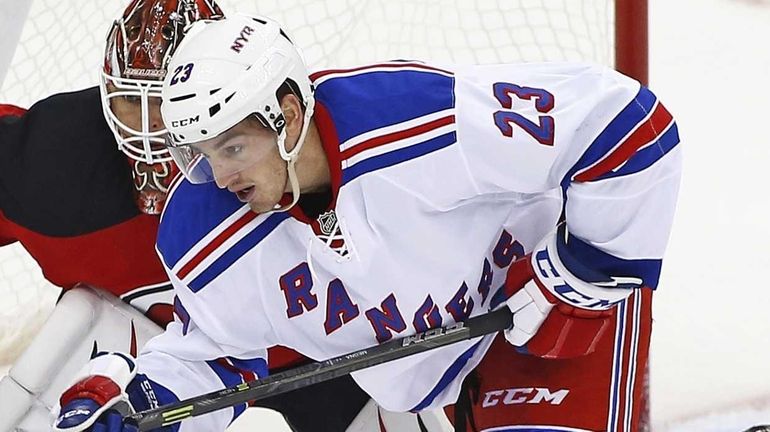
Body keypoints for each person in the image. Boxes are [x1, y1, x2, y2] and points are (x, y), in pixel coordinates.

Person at [54, 13, 681, 432]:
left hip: (551, 327)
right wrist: (137, 408)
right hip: (428, 389)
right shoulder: (202, 228)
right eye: (201, 152)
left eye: (234, 146)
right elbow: (217, 357)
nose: (219, 177)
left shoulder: (412, 120)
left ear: (289, 114)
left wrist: (583, 274)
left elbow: (625, 124)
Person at [1, 1, 368, 431]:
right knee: (83, 338)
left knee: (402, 399)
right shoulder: (48, 160)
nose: (153, 129)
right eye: (131, 104)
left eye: (170, 104)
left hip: (317, 348)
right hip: (152, 358)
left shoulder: (295, 150)